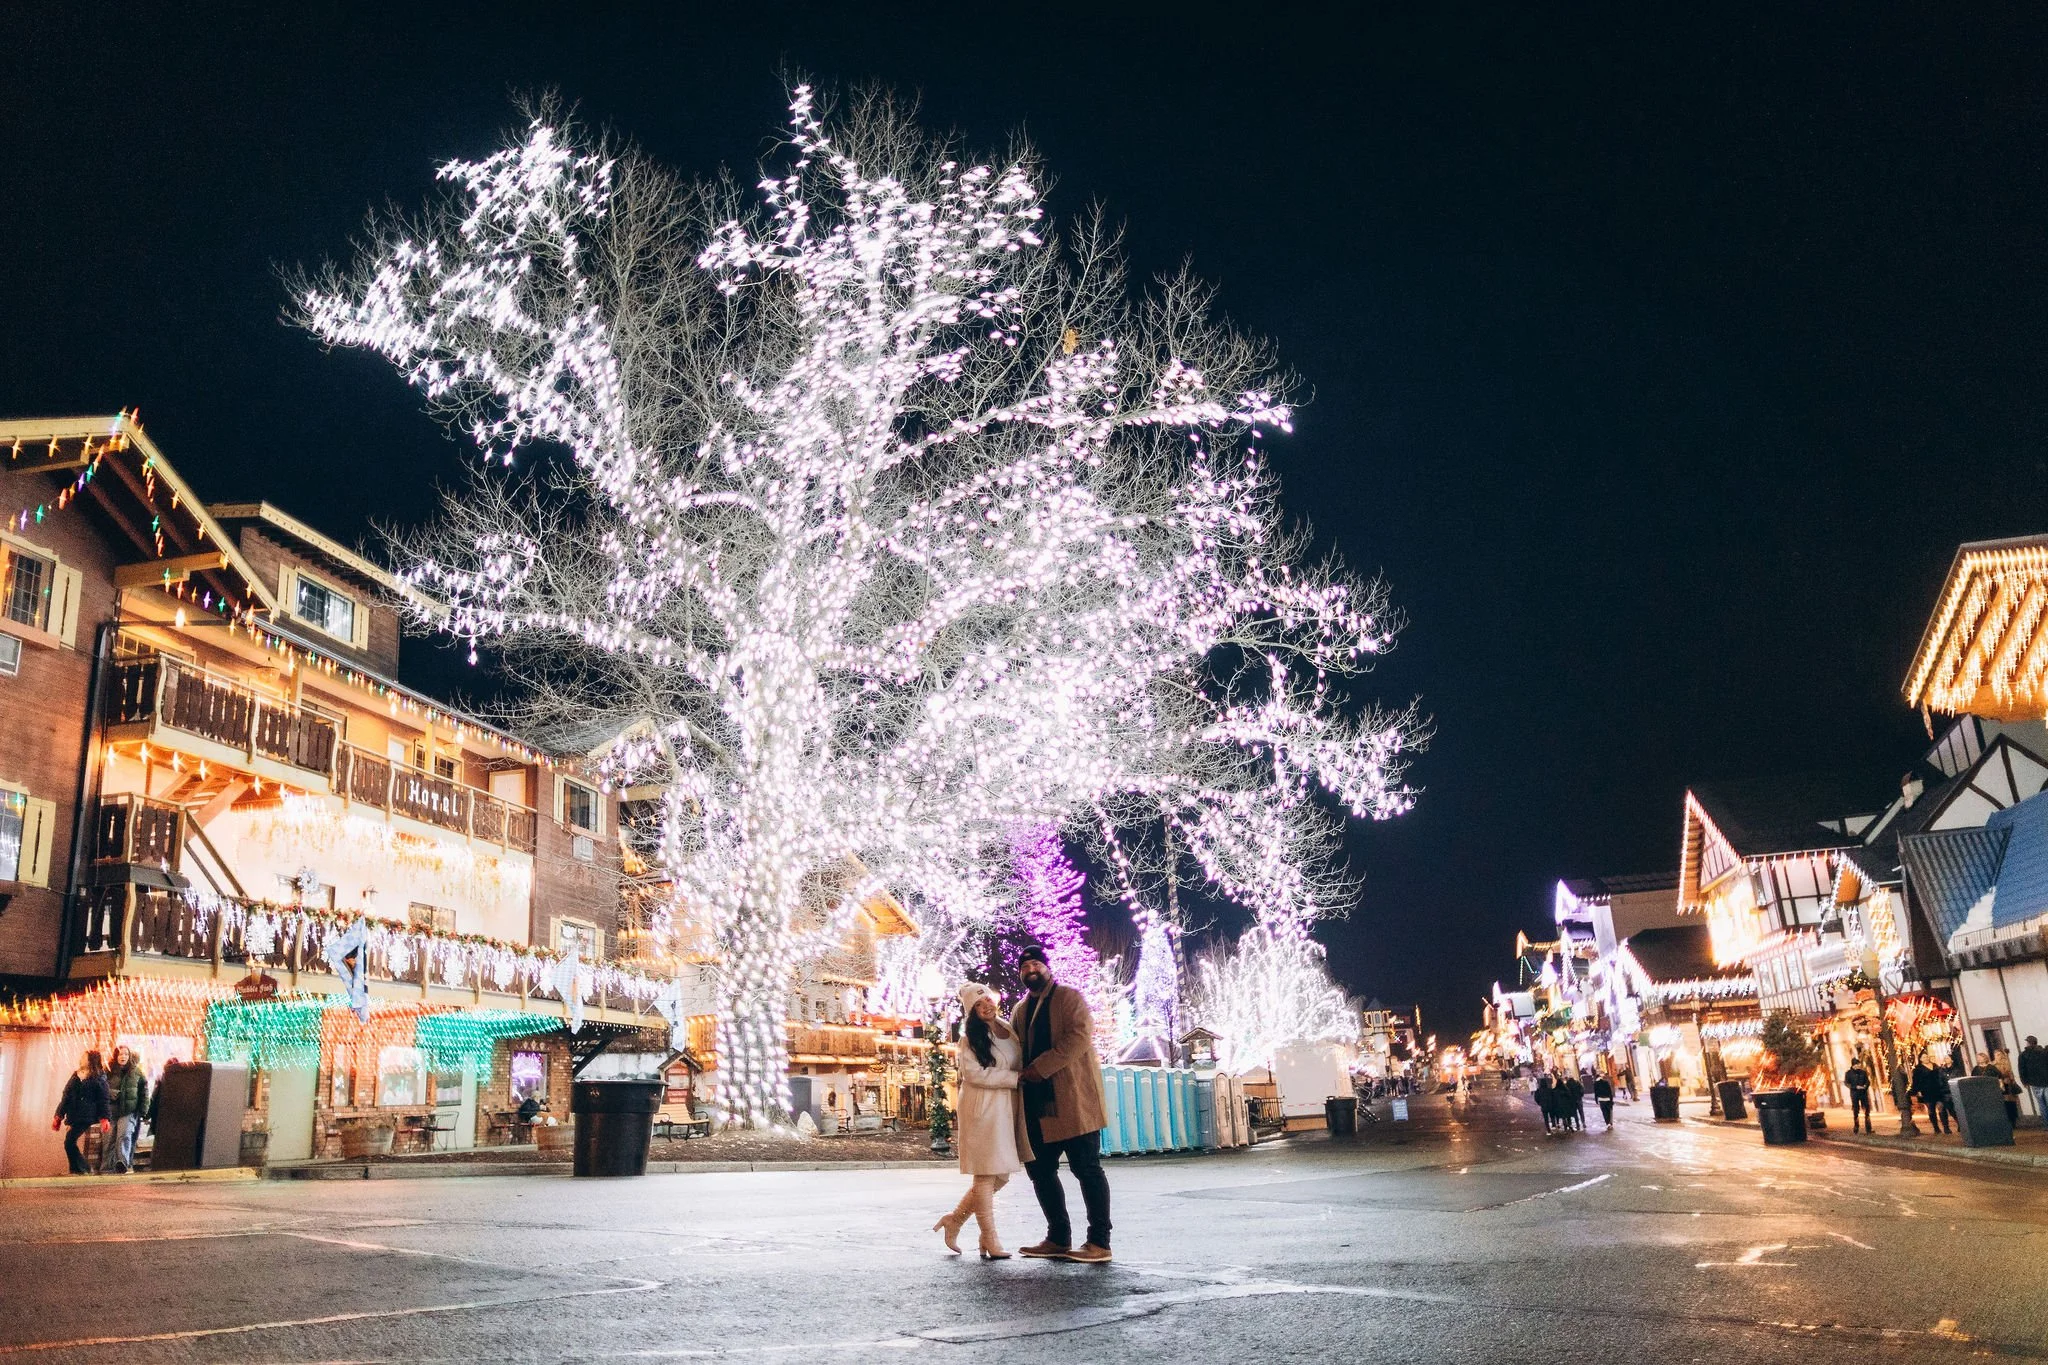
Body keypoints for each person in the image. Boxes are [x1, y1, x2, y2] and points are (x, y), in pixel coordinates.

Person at [1009, 943, 1111, 1263]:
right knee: (1039, 1170)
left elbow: (1080, 1037)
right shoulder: (1019, 1010)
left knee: (1087, 1169)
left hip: (1073, 1101)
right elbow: (1011, 1049)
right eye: (1025, 968)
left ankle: (1099, 1242)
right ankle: (1058, 1237)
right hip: (1037, 1108)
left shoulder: (1069, 998)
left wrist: (1040, 1067)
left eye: (1036, 965)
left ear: (1048, 968)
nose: (1031, 971)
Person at [932, 982, 1029, 1260]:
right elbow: (975, 1075)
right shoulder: (969, 1039)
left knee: (1001, 1175)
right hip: (982, 1109)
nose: (985, 1005)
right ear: (971, 1012)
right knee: (986, 1175)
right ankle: (989, 1237)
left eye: (987, 999)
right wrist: (1014, 1079)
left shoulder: (1006, 1028)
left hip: (1006, 1107)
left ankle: (955, 1220)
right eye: (978, 1004)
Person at [53, 1050, 111, 1175]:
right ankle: (76, 1169)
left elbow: (103, 1099)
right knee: (69, 1142)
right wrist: (59, 1115)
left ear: (91, 1060)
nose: (81, 1059)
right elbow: (66, 1096)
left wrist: (104, 1118)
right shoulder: (76, 1075)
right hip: (74, 1114)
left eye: (84, 1057)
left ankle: (83, 1167)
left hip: (86, 1115)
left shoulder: (98, 1077)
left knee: (69, 1141)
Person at [100, 1045, 149, 1174]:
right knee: (108, 1139)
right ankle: (106, 1167)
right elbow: (100, 1089)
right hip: (111, 1111)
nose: (123, 1057)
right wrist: (110, 1093)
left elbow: (144, 1092)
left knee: (124, 1135)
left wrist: (144, 1111)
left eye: (126, 1054)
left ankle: (122, 1163)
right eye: (120, 1054)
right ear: (116, 1056)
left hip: (129, 1111)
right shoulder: (108, 1071)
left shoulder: (136, 1072)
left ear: (130, 1056)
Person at [1912, 1054, 1952, 1134]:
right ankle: (1936, 1127)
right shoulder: (1918, 1069)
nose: (1926, 1058)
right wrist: (1918, 1091)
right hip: (1927, 1092)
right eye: (1924, 1057)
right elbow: (1916, 1081)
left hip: (1938, 1090)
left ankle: (1946, 1127)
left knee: (1941, 1108)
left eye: (1927, 1057)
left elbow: (1941, 1076)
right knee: (1931, 1110)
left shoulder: (1935, 1066)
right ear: (1920, 1059)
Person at [2018, 1036, 2048, 1126]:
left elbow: (2022, 1069)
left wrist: (2024, 1081)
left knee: (2041, 1104)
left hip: (2034, 1082)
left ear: (2028, 1043)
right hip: (2046, 1081)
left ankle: (2047, 1124)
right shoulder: (2044, 1052)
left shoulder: (2023, 1055)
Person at [1843, 1056, 1874, 1134]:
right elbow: (1846, 1083)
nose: (1858, 1066)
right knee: (1856, 1110)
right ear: (1853, 1065)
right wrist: (1855, 1087)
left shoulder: (1863, 1072)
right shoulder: (1849, 1073)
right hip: (1855, 1094)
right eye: (1857, 1064)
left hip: (1863, 1093)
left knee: (1867, 1110)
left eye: (1859, 1064)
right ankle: (1856, 1127)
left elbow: (1867, 1081)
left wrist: (1865, 1086)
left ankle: (1868, 1128)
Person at [1888, 1058, 1918, 1136]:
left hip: (1904, 1096)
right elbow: (1896, 1088)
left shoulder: (1900, 1072)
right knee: (1906, 1112)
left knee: (1908, 1111)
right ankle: (1908, 1126)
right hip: (1902, 1097)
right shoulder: (1899, 1073)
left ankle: (1909, 1125)